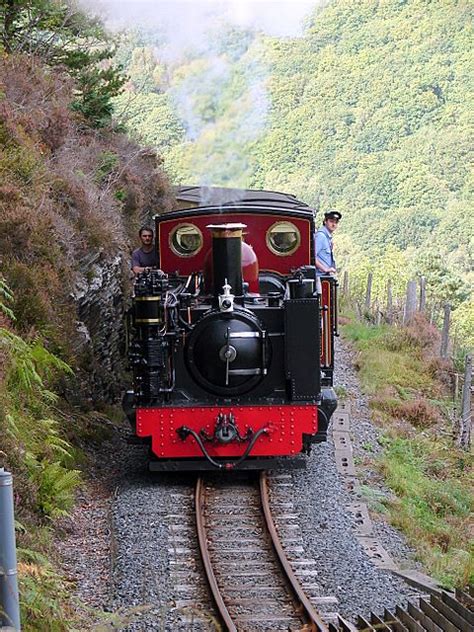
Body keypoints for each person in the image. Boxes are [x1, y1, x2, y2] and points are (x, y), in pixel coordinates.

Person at [315, 210, 342, 276]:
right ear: (325, 221)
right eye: (331, 221)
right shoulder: (321, 236)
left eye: (336, 222)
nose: (334, 224)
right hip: (319, 276)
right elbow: (312, 257)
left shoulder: (327, 238)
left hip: (325, 277)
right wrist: (325, 269)